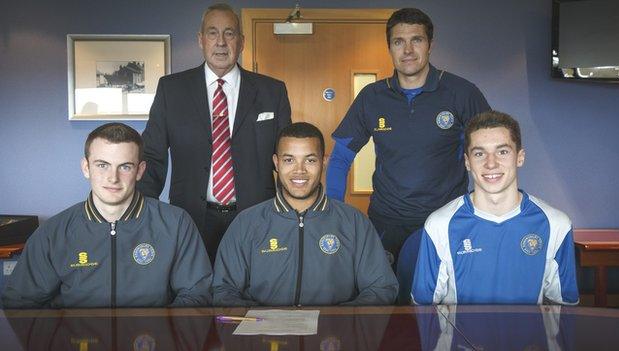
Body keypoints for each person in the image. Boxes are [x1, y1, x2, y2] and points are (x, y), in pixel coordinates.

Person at [327, 8, 491, 267]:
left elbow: (489, 156)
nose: (408, 50)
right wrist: (332, 214)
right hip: (386, 224)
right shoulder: (372, 97)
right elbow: (339, 159)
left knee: (442, 302)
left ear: (430, 45)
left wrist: (485, 211)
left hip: (446, 221)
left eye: (417, 40)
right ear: (389, 47)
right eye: (398, 41)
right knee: (386, 301)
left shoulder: (462, 93)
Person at [139, 3, 292, 263]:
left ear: (241, 42)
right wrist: (140, 213)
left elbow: (287, 158)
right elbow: (152, 157)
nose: (221, 42)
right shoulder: (172, 90)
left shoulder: (272, 91)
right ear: (201, 40)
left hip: (257, 216)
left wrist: (289, 213)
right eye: (212, 33)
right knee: (195, 295)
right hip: (192, 218)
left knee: (254, 292)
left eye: (229, 33)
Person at [1, 123, 212, 308]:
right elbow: (21, 303)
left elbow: (197, 296)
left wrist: (162, 333)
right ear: (86, 168)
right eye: (102, 165)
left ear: (140, 170)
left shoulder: (176, 224)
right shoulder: (53, 232)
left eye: (125, 167)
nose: (113, 178)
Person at [212, 122, 398, 306]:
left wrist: (339, 322)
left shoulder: (354, 222)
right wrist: (262, 321)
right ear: (276, 163)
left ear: (324, 163)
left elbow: (381, 288)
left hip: (334, 334)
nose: (299, 170)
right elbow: (224, 290)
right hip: (265, 333)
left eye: (310, 160)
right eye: (289, 160)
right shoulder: (246, 222)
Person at [411, 111, 579, 304]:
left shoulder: (556, 223)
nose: (491, 163)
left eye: (502, 151)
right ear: (467, 162)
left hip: (529, 335)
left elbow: (565, 308)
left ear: (520, 157)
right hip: (461, 335)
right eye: (480, 153)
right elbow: (423, 309)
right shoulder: (439, 224)